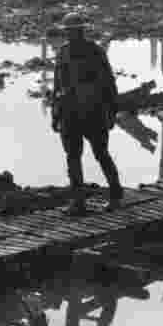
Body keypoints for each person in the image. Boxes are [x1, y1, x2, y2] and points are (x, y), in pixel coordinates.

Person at [52, 11, 124, 216]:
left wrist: (111, 112)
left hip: (93, 112)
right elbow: (58, 86)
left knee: (101, 155)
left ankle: (116, 196)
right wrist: (55, 114)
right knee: (73, 158)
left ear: (83, 31)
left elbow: (109, 85)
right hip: (70, 113)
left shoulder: (96, 52)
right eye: (69, 32)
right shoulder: (63, 53)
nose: (72, 35)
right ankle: (78, 202)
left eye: (76, 31)